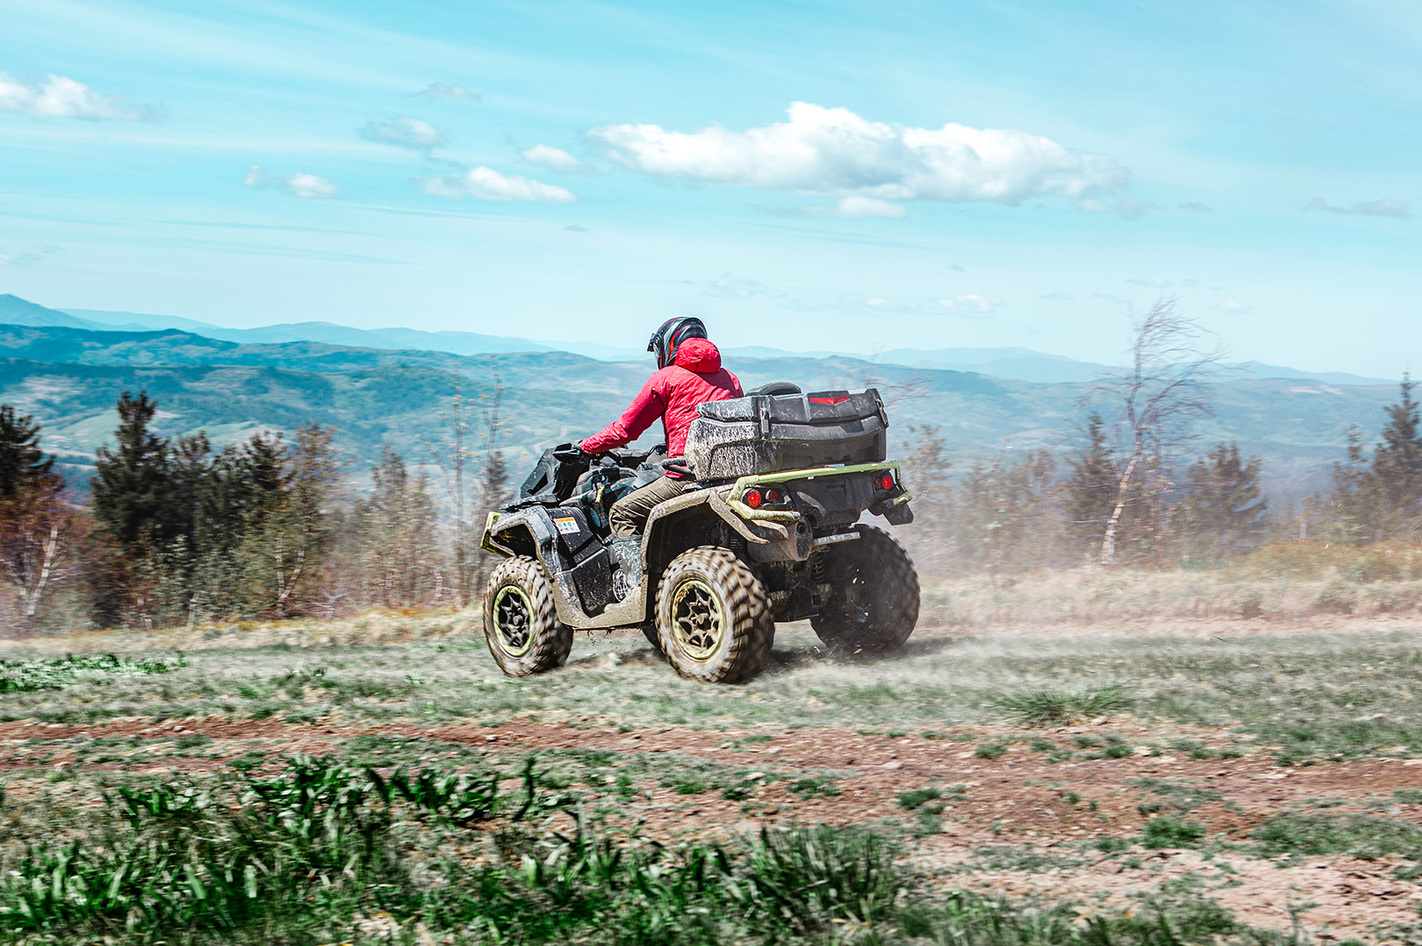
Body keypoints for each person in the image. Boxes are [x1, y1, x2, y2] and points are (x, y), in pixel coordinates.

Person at [580, 317, 742, 539]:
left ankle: (635, 574)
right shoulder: (730, 378)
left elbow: (626, 430)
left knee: (621, 512)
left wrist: (586, 446)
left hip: (687, 476)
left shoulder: (666, 378)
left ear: (669, 345)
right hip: (731, 474)